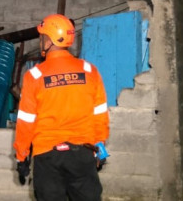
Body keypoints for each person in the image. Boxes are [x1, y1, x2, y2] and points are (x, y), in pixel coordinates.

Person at [13, 13, 110, 201]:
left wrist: (21, 156)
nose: (40, 41)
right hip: (83, 153)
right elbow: (100, 114)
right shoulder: (89, 71)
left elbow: (25, 122)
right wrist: (100, 146)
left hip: (47, 156)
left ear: (48, 40)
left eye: (42, 37)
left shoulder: (34, 76)